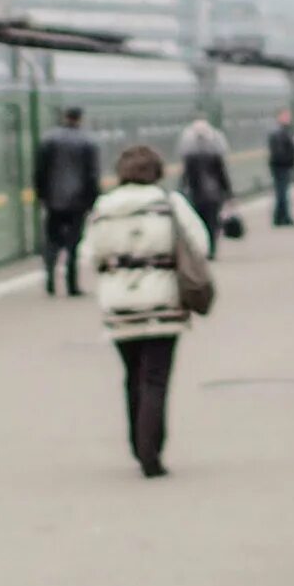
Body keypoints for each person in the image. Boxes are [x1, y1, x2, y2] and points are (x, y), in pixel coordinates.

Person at [85, 143, 209, 478]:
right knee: (155, 377)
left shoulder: (103, 206)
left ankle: (137, 444)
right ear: (156, 171)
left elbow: (89, 253)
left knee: (132, 376)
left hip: (118, 302)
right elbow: (199, 244)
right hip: (162, 300)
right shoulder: (169, 203)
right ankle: (150, 451)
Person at [34, 106, 100, 297]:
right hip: (77, 202)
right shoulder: (87, 142)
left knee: (52, 241)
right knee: (73, 244)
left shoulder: (48, 140)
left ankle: (50, 282)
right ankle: (72, 285)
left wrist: (42, 196)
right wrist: (93, 201)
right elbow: (92, 174)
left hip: (53, 200)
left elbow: (40, 171)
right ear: (80, 119)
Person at [175, 116, 233, 257]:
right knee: (212, 221)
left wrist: (180, 190)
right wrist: (229, 193)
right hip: (213, 194)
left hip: (196, 194)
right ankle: (211, 248)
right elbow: (222, 175)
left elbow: (185, 177)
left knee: (199, 221)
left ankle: (203, 247)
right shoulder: (215, 155)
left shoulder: (189, 156)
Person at [266, 108, 294, 227]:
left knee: (282, 192)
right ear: (279, 117)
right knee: (282, 193)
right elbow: (280, 152)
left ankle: (280, 217)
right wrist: (289, 161)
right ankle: (283, 217)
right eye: (285, 116)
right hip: (281, 167)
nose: (288, 118)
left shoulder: (283, 131)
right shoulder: (279, 132)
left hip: (281, 166)